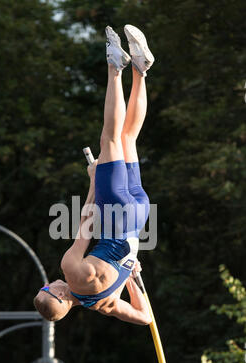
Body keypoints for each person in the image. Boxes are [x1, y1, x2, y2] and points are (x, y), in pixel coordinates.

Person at [34, 25, 155, 326]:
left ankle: (140, 70)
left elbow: (144, 317)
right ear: (59, 297)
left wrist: (134, 279)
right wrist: (93, 181)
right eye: (49, 288)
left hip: (140, 217)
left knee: (128, 140)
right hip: (118, 214)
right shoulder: (71, 270)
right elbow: (86, 221)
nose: (51, 282)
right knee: (110, 141)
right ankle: (115, 67)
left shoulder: (102, 304)